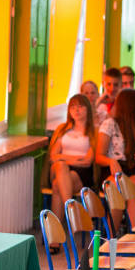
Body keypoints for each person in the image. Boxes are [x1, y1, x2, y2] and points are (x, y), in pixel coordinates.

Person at [96, 89, 135, 226]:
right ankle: (112, 235)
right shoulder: (109, 124)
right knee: (115, 187)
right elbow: (99, 156)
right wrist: (111, 161)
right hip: (114, 169)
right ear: (133, 107)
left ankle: (134, 232)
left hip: (134, 168)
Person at [48, 94, 97, 223]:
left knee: (57, 185)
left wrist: (62, 158)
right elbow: (53, 157)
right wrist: (75, 159)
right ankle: (71, 211)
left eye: (80, 106)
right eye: (73, 107)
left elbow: (87, 161)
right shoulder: (63, 129)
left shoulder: (93, 131)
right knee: (60, 166)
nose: (76, 110)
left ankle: (57, 231)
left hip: (81, 173)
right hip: (58, 169)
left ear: (88, 109)